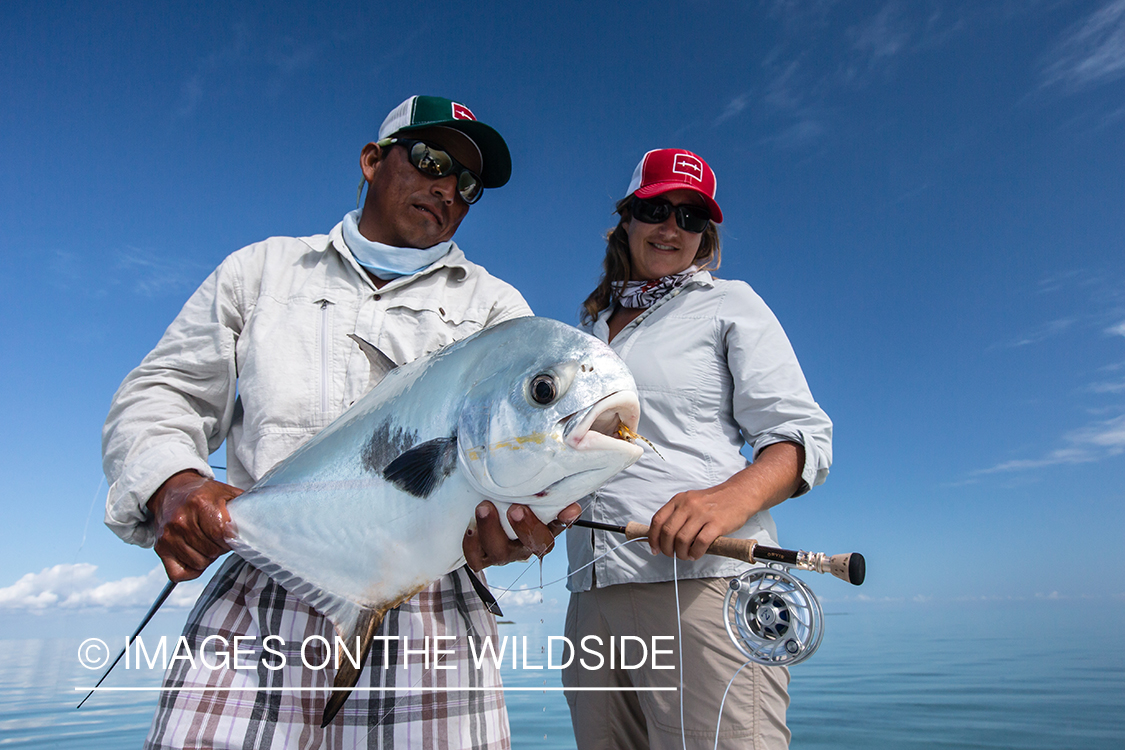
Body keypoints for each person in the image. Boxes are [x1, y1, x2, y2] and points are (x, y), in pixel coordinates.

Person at [102, 95, 575, 749]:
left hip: (432, 610)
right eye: (432, 159)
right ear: (373, 160)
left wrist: (528, 515)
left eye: (466, 184)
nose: (446, 187)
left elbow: (530, 446)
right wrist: (173, 483)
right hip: (258, 594)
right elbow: (163, 392)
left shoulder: (497, 310)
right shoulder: (260, 269)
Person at [561, 148, 833, 750]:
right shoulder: (586, 333)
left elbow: (801, 435)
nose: (671, 228)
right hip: (590, 599)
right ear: (627, 217)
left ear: (703, 236)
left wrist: (729, 499)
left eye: (691, 218)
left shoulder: (730, 304)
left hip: (705, 590)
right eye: (658, 209)